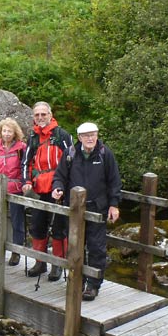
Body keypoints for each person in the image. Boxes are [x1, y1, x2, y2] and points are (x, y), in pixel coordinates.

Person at [52, 122, 122, 301]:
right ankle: (78, 279)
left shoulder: (105, 154)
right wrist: (58, 188)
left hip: (97, 207)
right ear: (80, 138)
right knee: (75, 246)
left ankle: (93, 285)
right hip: (74, 209)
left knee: (96, 247)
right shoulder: (70, 154)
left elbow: (114, 181)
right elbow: (60, 176)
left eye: (93, 134)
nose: (91, 138)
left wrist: (114, 204)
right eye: (86, 135)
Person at [22, 101, 73, 280]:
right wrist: (26, 181)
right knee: (38, 225)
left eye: (43, 114)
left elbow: (71, 161)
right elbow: (26, 162)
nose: (40, 118)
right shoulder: (33, 138)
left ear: (50, 115)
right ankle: (40, 262)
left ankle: (57, 264)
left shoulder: (62, 135)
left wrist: (65, 186)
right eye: (37, 115)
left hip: (58, 189)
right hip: (38, 189)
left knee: (59, 227)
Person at [0, 118, 27, 266]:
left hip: (15, 190)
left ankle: (16, 253)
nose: (7, 134)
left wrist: (25, 184)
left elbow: (26, 168)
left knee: (17, 222)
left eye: (10, 131)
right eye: (4, 131)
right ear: (0, 132)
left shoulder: (22, 148)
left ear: (15, 132)